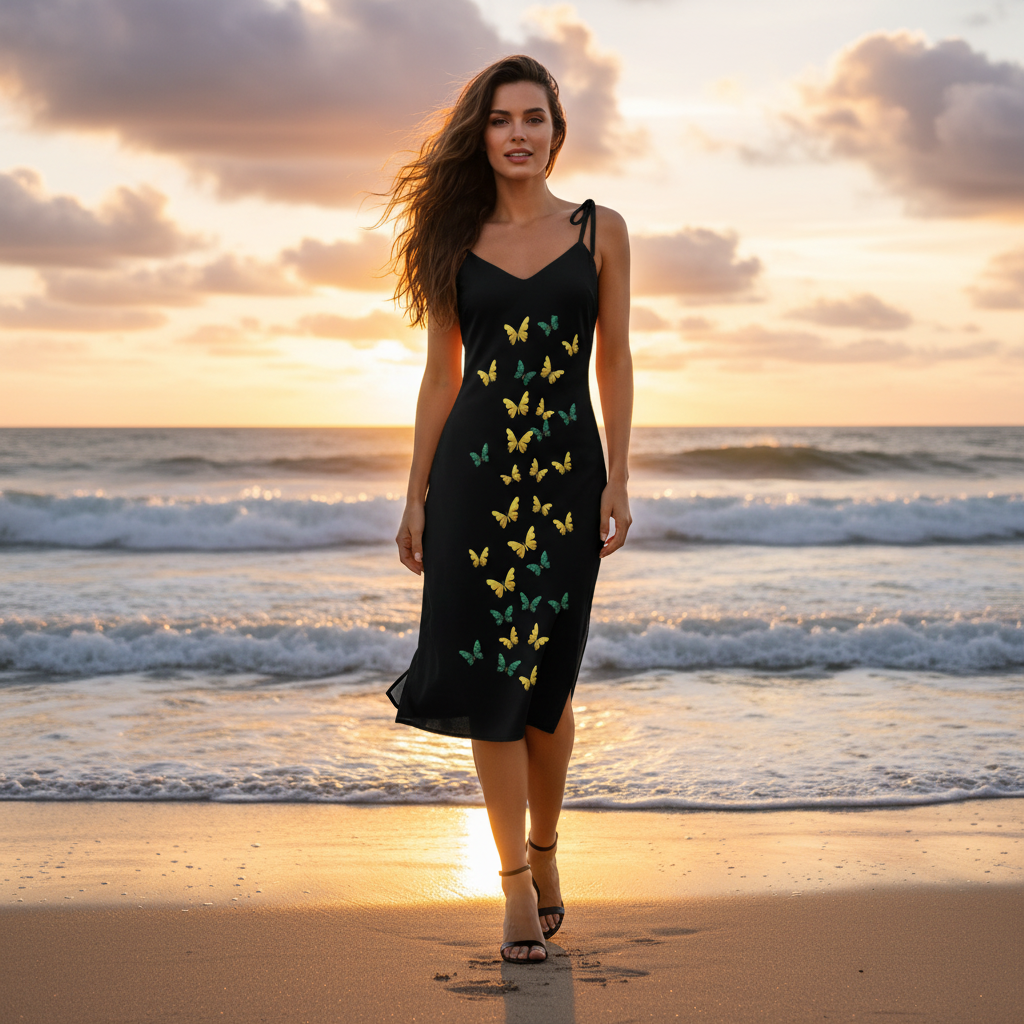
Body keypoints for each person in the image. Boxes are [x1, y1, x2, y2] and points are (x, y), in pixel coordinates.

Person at [383, 54, 633, 964]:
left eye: (533, 118)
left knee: (547, 691)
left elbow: (615, 359)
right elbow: (440, 376)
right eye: (500, 119)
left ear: (557, 134)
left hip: (566, 480)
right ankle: (516, 885)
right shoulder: (453, 241)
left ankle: (546, 846)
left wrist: (619, 475)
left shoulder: (600, 230)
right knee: (492, 682)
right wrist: (415, 493)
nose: (517, 134)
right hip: (473, 487)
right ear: (480, 135)